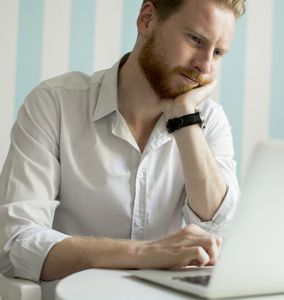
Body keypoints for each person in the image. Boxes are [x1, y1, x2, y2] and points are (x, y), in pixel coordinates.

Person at [0, 0, 244, 282]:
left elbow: (221, 234)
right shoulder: (54, 104)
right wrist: (145, 253)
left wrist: (185, 120)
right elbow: (14, 244)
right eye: (195, 40)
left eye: (218, 52)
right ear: (147, 19)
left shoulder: (208, 120)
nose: (204, 66)